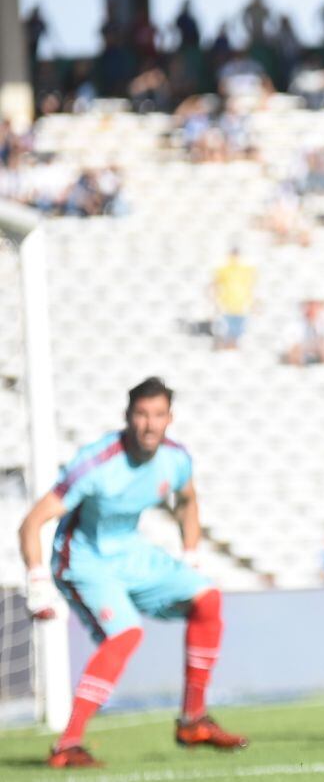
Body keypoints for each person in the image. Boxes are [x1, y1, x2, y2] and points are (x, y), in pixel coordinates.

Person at [18, 378, 247, 768]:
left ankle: (193, 719)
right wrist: (38, 581)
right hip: (83, 558)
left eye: (158, 415)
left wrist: (191, 556)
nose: (149, 424)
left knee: (207, 597)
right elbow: (32, 522)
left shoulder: (175, 459)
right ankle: (68, 745)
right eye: (141, 414)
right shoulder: (95, 463)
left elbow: (188, 500)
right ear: (127, 417)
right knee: (126, 634)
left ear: (169, 418)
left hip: (130, 551)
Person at [211, 246, 255, 350]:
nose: (235, 257)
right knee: (228, 333)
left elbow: (251, 287)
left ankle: (234, 351)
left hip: (242, 308)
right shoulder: (223, 269)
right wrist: (215, 302)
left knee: (238, 335)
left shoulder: (245, 270)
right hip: (227, 307)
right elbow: (215, 285)